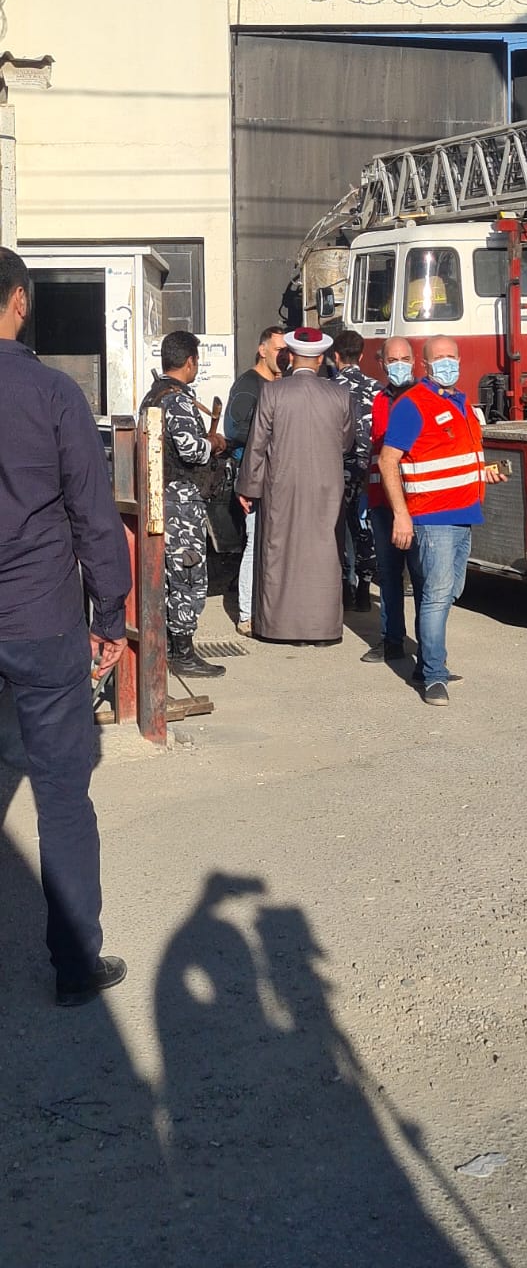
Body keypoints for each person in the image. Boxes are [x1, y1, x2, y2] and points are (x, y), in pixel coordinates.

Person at [0, 247, 131, 1006]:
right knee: (61, 796)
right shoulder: (53, 393)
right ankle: (76, 965)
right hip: (41, 619)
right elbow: (92, 512)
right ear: (19, 301)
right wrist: (110, 614)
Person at [379, 335, 506, 707]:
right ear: (425, 364)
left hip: (464, 514)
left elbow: (455, 459)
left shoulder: (463, 403)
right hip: (432, 518)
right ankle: (434, 674)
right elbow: (388, 461)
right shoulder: (413, 404)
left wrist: (484, 473)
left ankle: (427, 665)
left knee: (449, 592)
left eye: (452, 356)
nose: (447, 363)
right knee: (437, 595)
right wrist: (401, 514)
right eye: (439, 357)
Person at [236, 327, 355, 644]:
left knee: (280, 552)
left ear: (290, 356)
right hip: (327, 489)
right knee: (324, 555)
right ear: (320, 358)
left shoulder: (273, 392)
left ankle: (279, 626)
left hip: (281, 487)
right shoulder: (340, 395)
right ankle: (322, 628)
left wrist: (247, 486)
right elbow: (346, 443)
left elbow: (257, 444)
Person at [140, 331, 227, 680]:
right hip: (180, 504)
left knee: (167, 578)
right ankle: (183, 652)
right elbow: (190, 450)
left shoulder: (153, 395)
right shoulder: (176, 400)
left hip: (161, 498)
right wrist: (213, 443)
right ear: (190, 361)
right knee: (188, 576)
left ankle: (168, 647)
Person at [224, 326, 287, 636]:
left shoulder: (283, 384)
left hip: (280, 476)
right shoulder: (249, 385)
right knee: (254, 542)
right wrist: (266, 437)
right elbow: (233, 429)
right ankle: (246, 614)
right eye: (279, 350)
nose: (284, 357)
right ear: (262, 350)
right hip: (254, 474)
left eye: (288, 352)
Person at [361, 336, 421, 665]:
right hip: (382, 503)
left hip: (418, 503)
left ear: (415, 361)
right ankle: (391, 641)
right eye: (393, 360)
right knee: (388, 575)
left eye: (405, 359)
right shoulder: (378, 400)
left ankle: (428, 651)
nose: (399, 365)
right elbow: (375, 451)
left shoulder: (424, 398)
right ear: (382, 364)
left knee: (423, 579)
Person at [333, 328, 380, 612]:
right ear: (361, 356)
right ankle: (364, 587)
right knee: (365, 527)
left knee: (339, 528)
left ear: (335, 356)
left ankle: (345, 587)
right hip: (369, 470)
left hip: (338, 470)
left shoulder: (329, 389)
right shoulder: (377, 389)